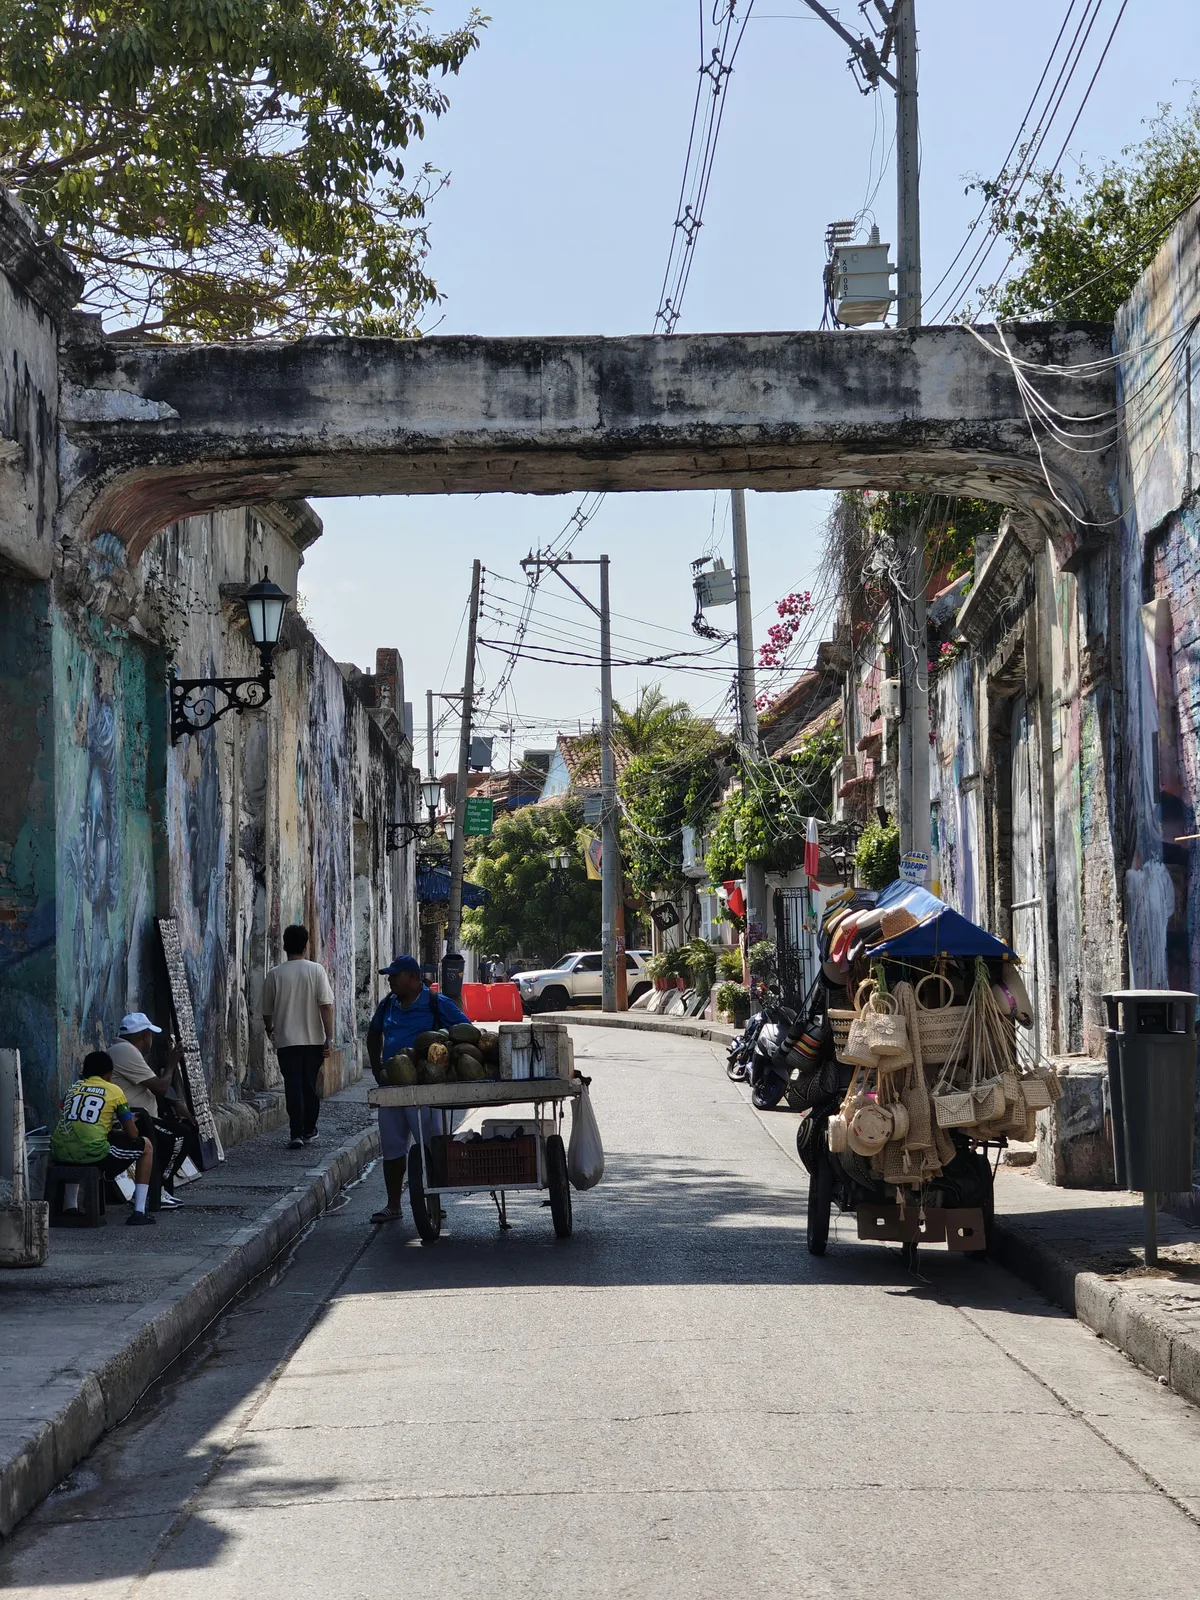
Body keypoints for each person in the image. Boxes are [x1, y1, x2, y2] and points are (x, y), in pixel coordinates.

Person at [366, 955, 471, 1225]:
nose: (390, 980)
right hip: (392, 1087)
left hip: (425, 1089)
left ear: (412, 977)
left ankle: (433, 1199)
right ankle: (393, 1205)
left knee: (430, 1145)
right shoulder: (388, 1003)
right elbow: (373, 1032)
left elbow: (466, 1030)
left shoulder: (436, 1002)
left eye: (394, 975)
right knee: (392, 1148)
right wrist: (378, 1069)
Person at [51, 1050, 157, 1225]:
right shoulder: (114, 1091)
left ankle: (70, 1206)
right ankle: (139, 1211)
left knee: (74, 1144)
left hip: (58, 1151)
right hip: (94, 1153)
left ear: (84, 1072)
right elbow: (132, 1133)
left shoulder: (73, 1087)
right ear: (109, 1074)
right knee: (146, 1146)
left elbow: (68, 1113)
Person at [106, 1012, 200, 1207]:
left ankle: (160, 1188)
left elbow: (152, 1086)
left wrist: (175, 1103)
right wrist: (172, 1064)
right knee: (181, 1134)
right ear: (144, 1035)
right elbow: (160, 1087)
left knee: (177, 1129)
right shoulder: (125, 1051)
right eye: (150, 1035)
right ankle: (158, 1189)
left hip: (140, 1117)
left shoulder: (123, 1050)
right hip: (134, 1120)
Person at [262, 924, 335, 1150]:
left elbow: (266, 1010)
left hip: (287, 1041)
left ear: (285, 946)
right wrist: (329, 1038)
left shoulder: (275, 974)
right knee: (309, 1086)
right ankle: (308, 1128)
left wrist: (269, 1028)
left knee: (292, 1085)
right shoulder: (316, 971)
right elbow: (326, 1006)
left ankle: (295, 1132)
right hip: (313, 1041)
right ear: (306, 946)